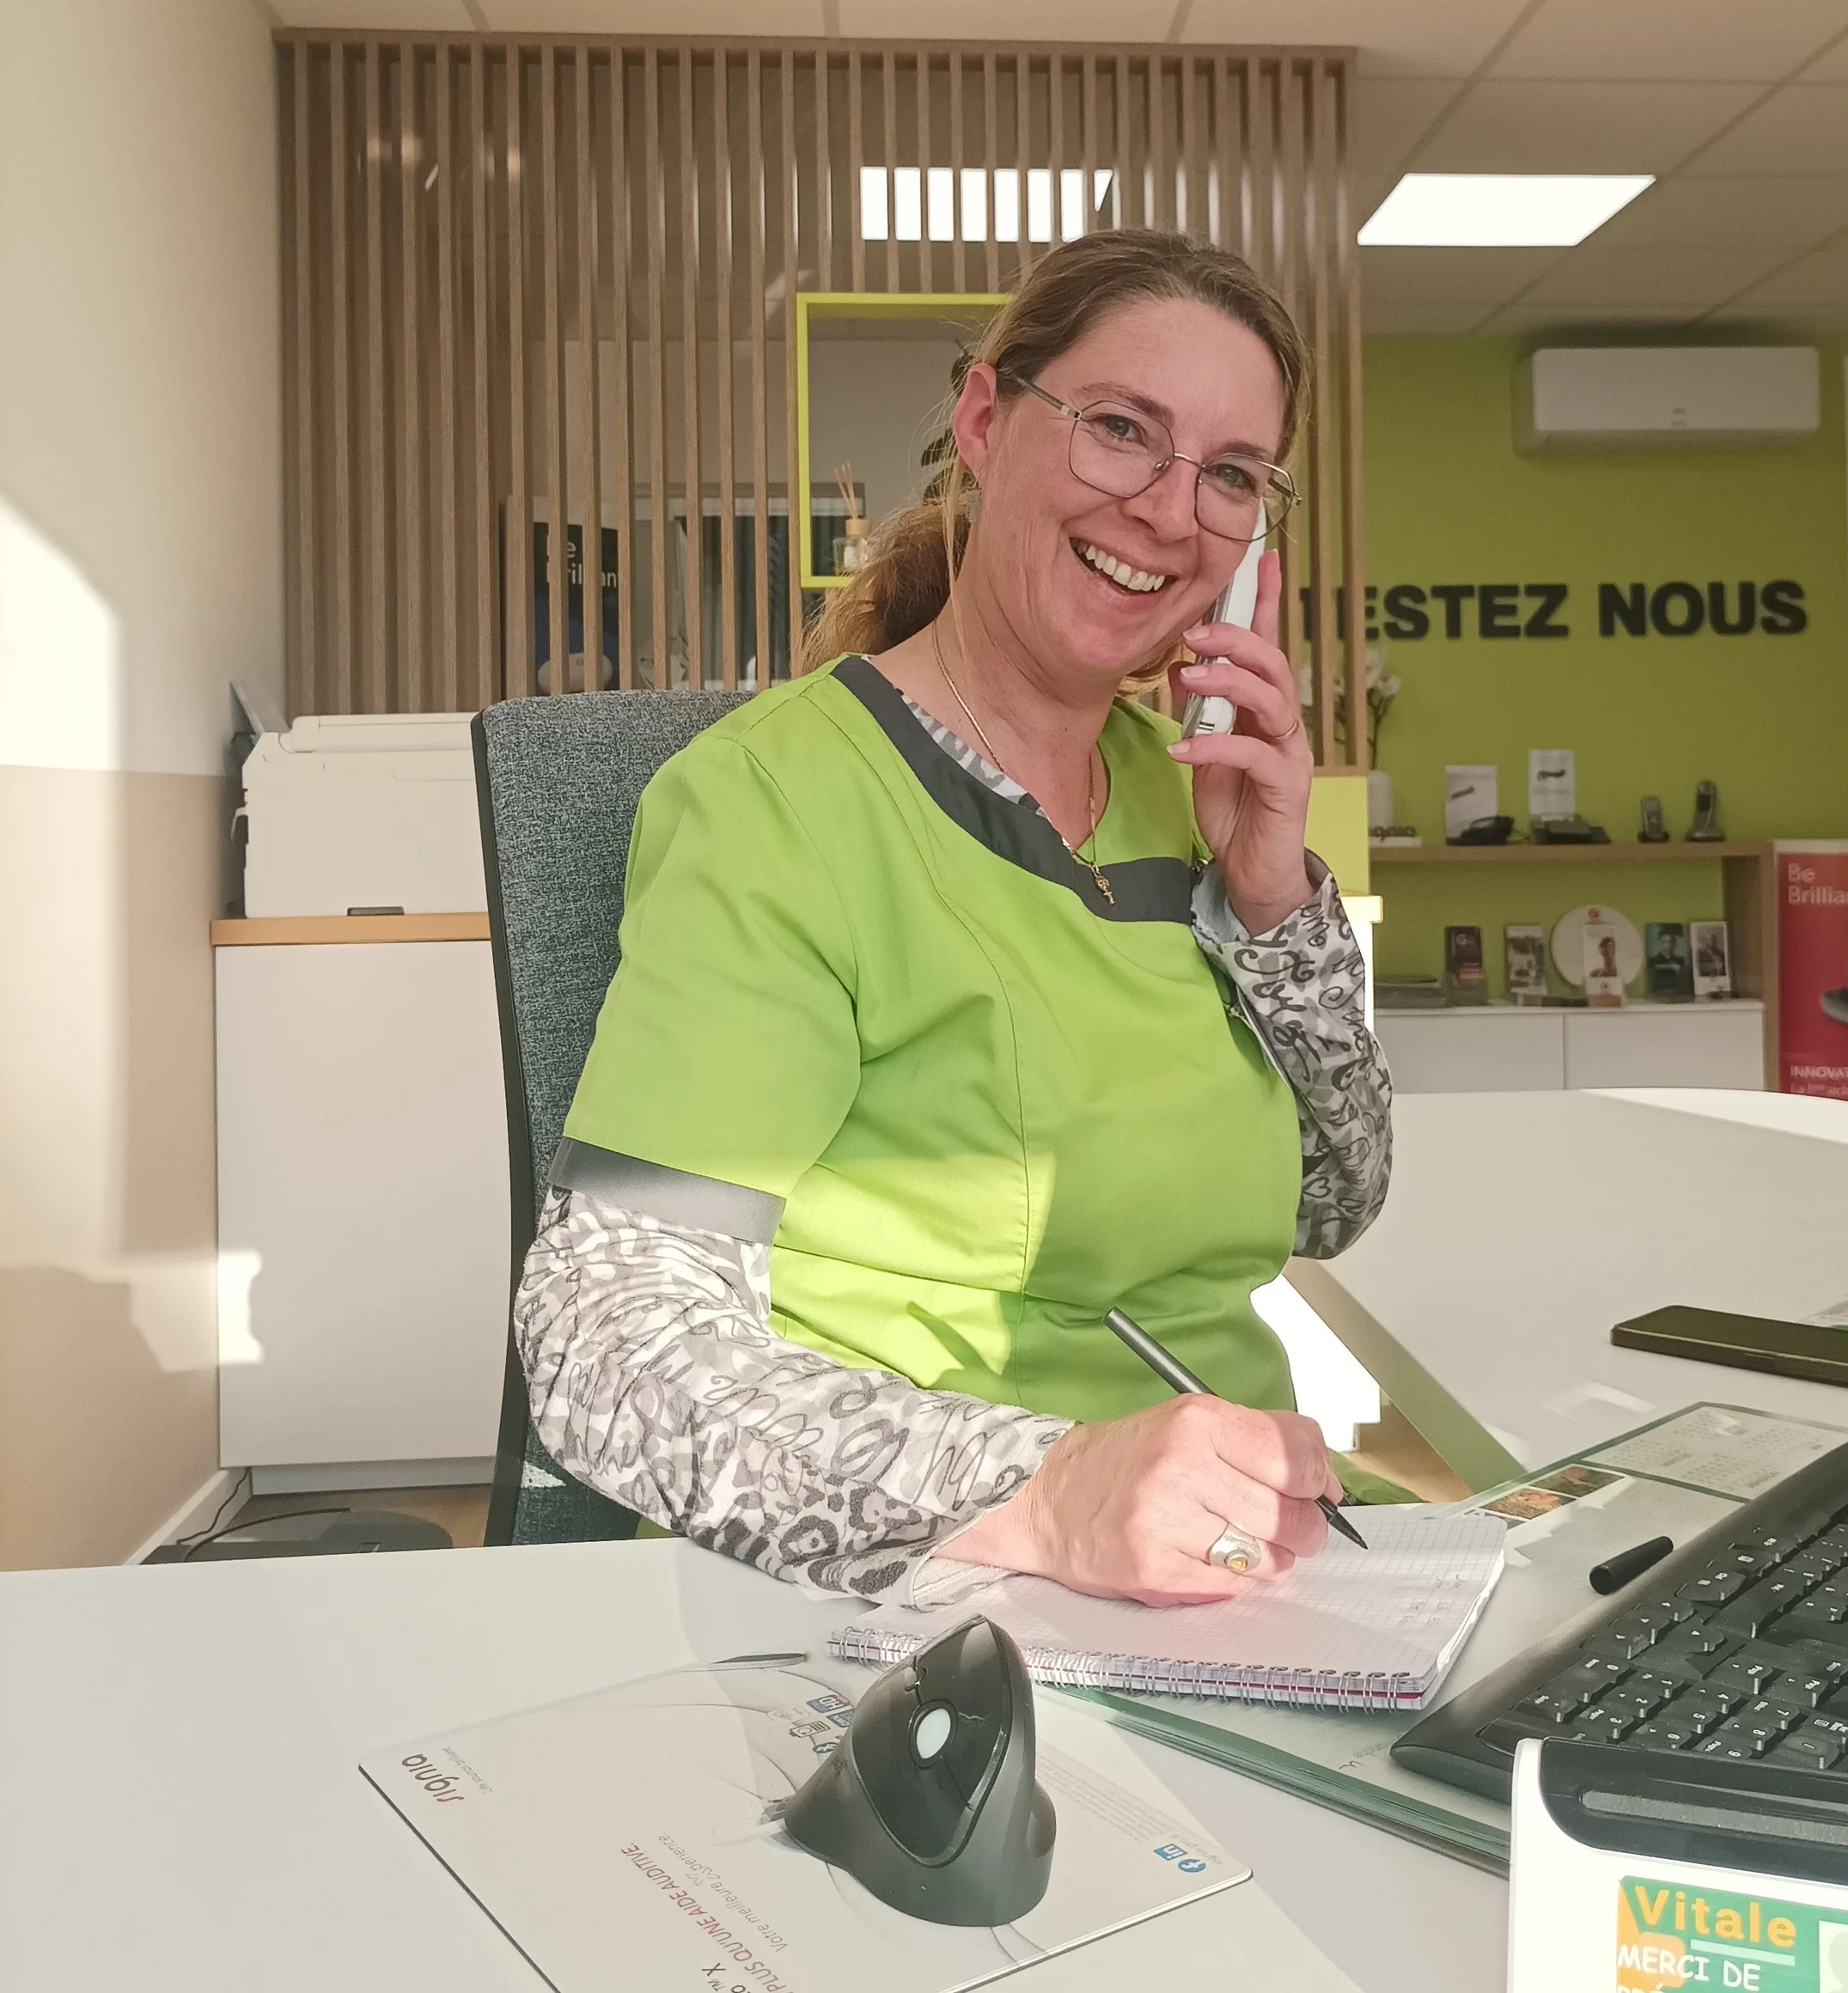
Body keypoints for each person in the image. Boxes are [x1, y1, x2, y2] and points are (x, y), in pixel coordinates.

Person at [515, 229, 1392, 1610]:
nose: (1171, 511)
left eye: (1230, 474)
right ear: (985, 422)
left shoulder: (1199, 794)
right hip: (919, 1596)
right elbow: (607, 1352)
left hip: (1243, 1564)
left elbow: (1333, 1201)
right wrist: (1046, 1491)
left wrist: (1277, 908)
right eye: (1120, 430)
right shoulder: (781, 804)